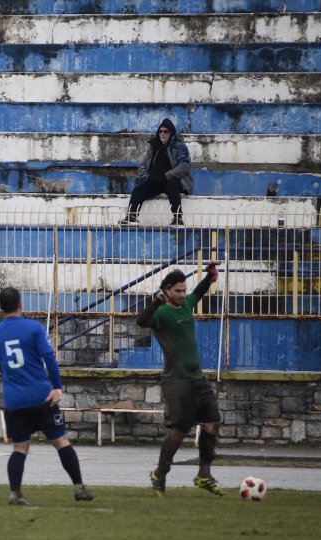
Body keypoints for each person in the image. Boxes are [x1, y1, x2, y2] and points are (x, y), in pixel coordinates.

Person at [0, 287, 94, 506]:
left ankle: (15, 493)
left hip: (14, 400)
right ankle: (79, 487)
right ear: (21, 304)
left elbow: (0, 366)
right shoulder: (34, 328)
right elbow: (49, 359)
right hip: (41, 396)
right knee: (61, 441)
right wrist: (57, 386)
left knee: (20, 448)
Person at [136, 263, 224, 497]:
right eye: (178, 291)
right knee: (179, 430)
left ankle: (204, 475)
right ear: (167, 291)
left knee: (212, 423)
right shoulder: (162, 313)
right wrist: (155, 302)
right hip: (177, 381)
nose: (183, 294)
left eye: (184, 290)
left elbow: (198, 293)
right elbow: (141, 322)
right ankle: (160, 474)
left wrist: (210, 278)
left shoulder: (186, 304)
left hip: (197, 377)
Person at [120, 118, 193, 226]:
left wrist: (167, 176)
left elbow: (185, 165)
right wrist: (147, 177)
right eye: (160, 131)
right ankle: (132, 216)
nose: (163, 134)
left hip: (174, 180)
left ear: (171, 133)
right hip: (156, 181)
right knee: (138, 190)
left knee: (171, 186)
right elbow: (142, 165)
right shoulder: (154, 146)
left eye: (166, 131)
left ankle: (178, 218)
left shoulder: (179, 146)